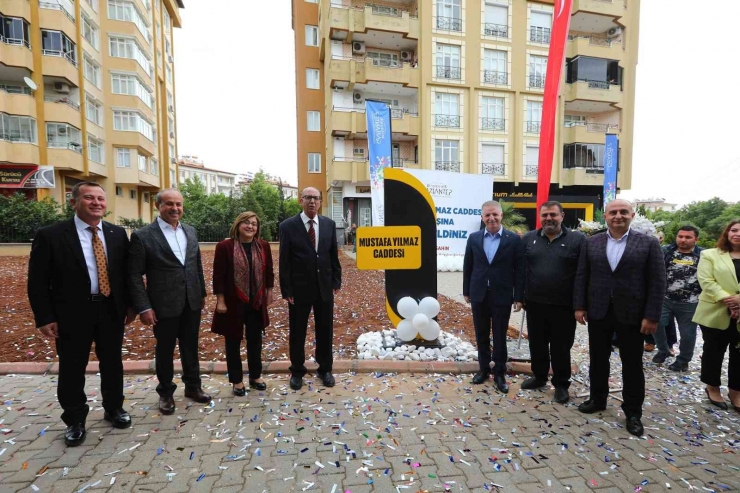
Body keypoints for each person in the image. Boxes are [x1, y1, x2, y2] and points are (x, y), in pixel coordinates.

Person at [27, 182, 134, 446]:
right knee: (72, 367)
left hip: (111, 309)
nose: (96, 202)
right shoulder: (51, 235)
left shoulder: (117, 233)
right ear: (74, 202)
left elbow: (125, 275)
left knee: (112, 363)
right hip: (71, 313)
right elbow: (37, 281)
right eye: (89, 198)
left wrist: (130, 305)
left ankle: (113, 409)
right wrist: (44, 317)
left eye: (100, 198)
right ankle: (75, 419)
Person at [574, 199, 666, 437]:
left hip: (633, 314)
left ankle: (633, 412)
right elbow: (582, 275)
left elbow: (657, 282)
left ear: (632, 215)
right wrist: (579, 306)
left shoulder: (648, 243)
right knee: (598, 358)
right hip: (598, 311)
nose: (618, 216)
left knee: (633, 364)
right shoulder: (592, 242)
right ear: (605, 216)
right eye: (613, 212)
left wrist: (652, 315)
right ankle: (598, 399)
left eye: (623, 212)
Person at [128, 188, 211, 414]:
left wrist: (201, 293)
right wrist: (143, 306)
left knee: (190, 347)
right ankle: (165, 393)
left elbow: (195, 265)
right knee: (165, 350)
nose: (175, 208)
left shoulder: (190, 232)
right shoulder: (143, 236)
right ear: (158, 206)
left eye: (178, 204)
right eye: (169, 204)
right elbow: (134, 274)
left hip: (191, 301)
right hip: (162, 305)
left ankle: (193, 387)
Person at [520, 201, 586, 403]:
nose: (549, 219)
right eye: (545, 215)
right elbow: (522, 270)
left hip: (564, 307)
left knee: (561, 347)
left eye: (553, 215)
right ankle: (539, 377)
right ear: (540, 217)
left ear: (562, 216)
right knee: (537, 344)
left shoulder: (577, 239)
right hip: (535, 304)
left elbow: (583, 274)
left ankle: (561, 384)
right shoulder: (529, 238)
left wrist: (579, 305)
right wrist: (521, 297)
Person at [279, 187, 342, 390]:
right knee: (298, 332)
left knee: (325, 330)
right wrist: (286, 290)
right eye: (308, 198)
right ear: (301, 200)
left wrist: (336, 281)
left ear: (320, 201)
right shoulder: (288, 226)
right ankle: (297, 371)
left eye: (316, 198)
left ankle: (325, 369)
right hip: (299, 290)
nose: (312, 202)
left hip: (324, 287)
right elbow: (284, 261)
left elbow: (333, 255)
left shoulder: (329, 225)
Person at [463, 200, 525, 393]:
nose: (491, 218)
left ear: (501, 216)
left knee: (499, 335)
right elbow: (468, 266)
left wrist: (519, 296)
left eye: (494, 215)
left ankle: (499, 373)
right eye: (487, 215)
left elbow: (519, 270)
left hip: (502, 295)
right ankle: (483, 370)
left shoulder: (513, 239)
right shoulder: (473, 238)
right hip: (479, 294)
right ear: (482, 218)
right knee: (481, 334)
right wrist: (466, 291)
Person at [211, 212, 275, 395]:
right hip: (233, 302)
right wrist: (220, 301)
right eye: (246, 223)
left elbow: (269, 271)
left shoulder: (263, 246)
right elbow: (219, 276)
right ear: (238, 225)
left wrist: (269, 292)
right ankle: (236, 380)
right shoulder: (225, 247)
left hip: (256, 301)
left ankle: (255, 376)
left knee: (255, 340)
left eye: (254, 224)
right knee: (233, 341)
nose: (250, 227)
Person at [692, 219, 740, 411]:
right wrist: (730, 300)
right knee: (714, 351)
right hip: (715, 311)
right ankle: (712, 387)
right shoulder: (710, 254)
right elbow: (706, 280)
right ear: (727, 233)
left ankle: (736, 391)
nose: (737, 233)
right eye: (734, 230)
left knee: (739, 354)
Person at [652, 226, 703, 370]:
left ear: (696, 239)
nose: (683, 240)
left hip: (690, 302)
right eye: (680, 236)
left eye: (688, 237)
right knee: (656, 325)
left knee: (688, 334)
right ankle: (663, 350)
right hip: (665, 298)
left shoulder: (703, 255)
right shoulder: (667, 251)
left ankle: (683, 361)